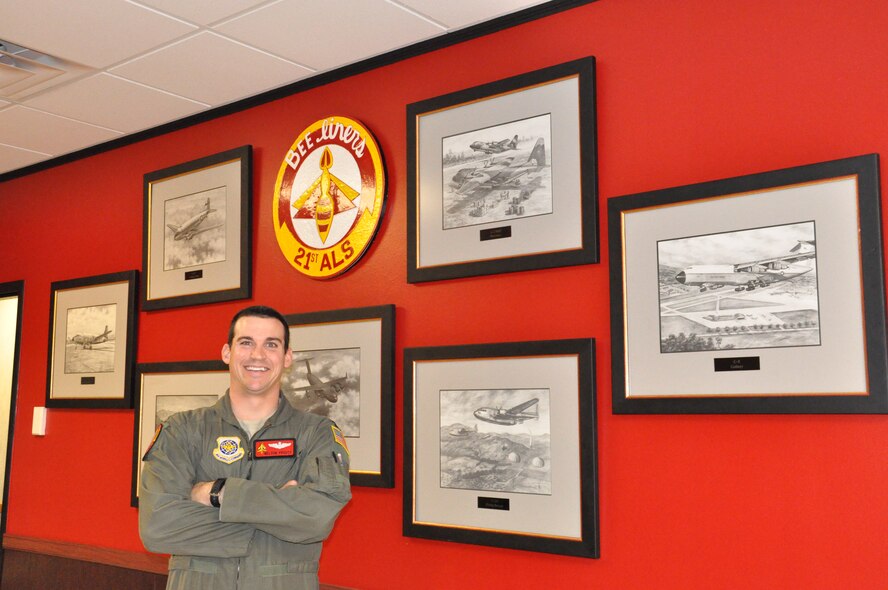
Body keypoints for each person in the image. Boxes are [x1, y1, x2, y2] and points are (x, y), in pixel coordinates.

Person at [139, 305, 351, 590]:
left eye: (271, 345)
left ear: (287, 357)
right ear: (227, 352)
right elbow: (158, 526)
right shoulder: (182, 430)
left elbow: (316, 519)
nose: (258, 355)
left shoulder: (318, 434)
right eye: (246, 342)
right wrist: (279, 514)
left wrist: (220, 492)